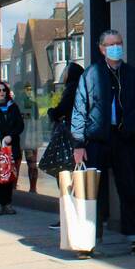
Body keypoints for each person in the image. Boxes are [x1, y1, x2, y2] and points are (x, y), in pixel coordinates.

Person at [71, 30, 135, 255]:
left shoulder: (133, 75)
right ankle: (88, 241)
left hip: (125, 139)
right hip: (96, 140)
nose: (116, 47)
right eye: (110, 44)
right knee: (91, 192)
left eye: (119, 43)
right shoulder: (91, 74)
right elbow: (79, 109)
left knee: (130, 189)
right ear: (101, 49)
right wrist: (78, 144)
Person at [46, 62, 84, 230]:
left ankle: (67, 217)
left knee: (65, 177)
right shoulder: (82, 88)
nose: (64, 74)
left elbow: (62, 110)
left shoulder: (72, 89)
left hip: (69, 140)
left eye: (67, 71)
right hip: (79, 139)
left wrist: (52, 112)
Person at [0, 81, 25, 215]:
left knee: (10, 175)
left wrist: (11, 136)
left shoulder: (13, 106)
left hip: (12, 145)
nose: (2, 92)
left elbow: (20, 125)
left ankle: (8, 203)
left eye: (4, 90)